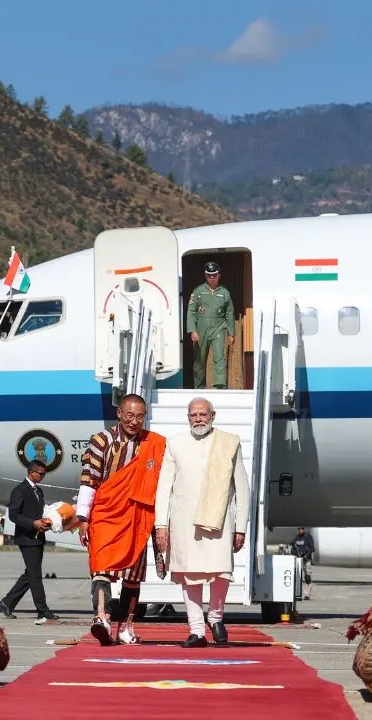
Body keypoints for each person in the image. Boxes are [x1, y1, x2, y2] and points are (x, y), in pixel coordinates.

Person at [153, 397, 250, 647]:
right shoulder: (175, 444)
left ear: (213, 416)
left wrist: (241, 527)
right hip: (185, 523)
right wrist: (160, 525)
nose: (199, 419)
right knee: (188, 575)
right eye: (194, 415)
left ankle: (216, 617)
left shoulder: (229, 443)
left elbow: (242, 489)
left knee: (221, 572)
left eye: (203, 414)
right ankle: (196, 630)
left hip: (219, 521)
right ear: (188, 418)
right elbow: (164, 488)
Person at [76, 393, 166, 646]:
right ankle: (102, 618)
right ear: (119, 414)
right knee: (101, 565)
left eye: (140, 416)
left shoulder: (155, 444)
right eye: (129, 415)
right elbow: (89, 479)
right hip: (106, 512)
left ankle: (126, 626)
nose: (134, 421)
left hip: (139, 514)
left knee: (133, 574)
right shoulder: (101, 441)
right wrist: (83, 517)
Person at [0, 460, 60, 622]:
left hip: (38, 537)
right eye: (41, 473)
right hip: (26, 538)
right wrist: (33, 523)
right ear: (31, 472)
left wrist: (47, 522)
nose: (43, 476)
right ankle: (42, 610)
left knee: (31, 574)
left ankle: (7, 602)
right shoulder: (20, 490)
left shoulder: (38, 491)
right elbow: (13, 514)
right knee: (35, 575)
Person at [185, 261, 235, 389]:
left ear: (219, 275)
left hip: (218, 327)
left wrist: (231, 333)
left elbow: (229, 313)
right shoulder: (198, 291)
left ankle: (219, 385)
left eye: (214, 275)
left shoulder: (224, 293)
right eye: (209, 275)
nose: (212, 278)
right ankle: (199, 386)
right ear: (205, 276)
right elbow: (191, 311)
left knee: (219, 358)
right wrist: (192, 331)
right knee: (199, 358)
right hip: (201, 328)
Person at [291, 527, 315, 599]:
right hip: (298, 560)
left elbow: (312, 548)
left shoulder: (308, 537)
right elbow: (293, 548)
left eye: (301, 528)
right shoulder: (296, 538)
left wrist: (306, 555)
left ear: (304, 529)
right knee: (298, 577)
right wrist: (295, 554)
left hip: (306, 560)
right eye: (299, 529)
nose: (300, 530)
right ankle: (298, 594)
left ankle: (307, 594)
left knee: (307, 576)